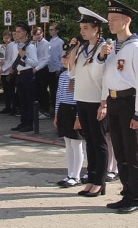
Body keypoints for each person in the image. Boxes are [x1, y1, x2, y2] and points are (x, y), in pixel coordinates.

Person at [101, 0, 138, 213]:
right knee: (120, 151)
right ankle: (126, 192)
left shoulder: (137, 48)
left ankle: (136, 197)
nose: (110, 23)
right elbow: (108, 75)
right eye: (109, 20)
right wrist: (104, 99)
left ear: (127, 20)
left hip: (129, 102)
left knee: (131, 152)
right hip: (114, 102)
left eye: (115, 19)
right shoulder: (112, 48)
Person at [66, 7, 109, 198]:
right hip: (82, 99)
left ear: (96, 28)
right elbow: (72, 72)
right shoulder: (83, 47)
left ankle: (100, 181)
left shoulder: (104, 47)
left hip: (96, 99)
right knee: (89, 141)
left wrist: (104, 102)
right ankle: (91, 179)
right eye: (81, 28)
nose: (82, 31)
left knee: (99, 142)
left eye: (85, 28)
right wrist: (73, 49)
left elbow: (105, 76)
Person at [54, 44, 84, 188]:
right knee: (68, 143)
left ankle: (76, 175)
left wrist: (79, 116)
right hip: (64, 109)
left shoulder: (79, 75)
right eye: (63, 57)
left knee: (76, 143)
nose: (64, 60)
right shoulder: (62, 75)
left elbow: (80, 97)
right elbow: (59, 95)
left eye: (67, 57)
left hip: (75, 109)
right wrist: (56, 114)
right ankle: (70, 173)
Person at [11, 21, 38, 132]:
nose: (16, 34)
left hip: (27, 74)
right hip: (19, 75)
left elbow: (35, 63)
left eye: (19, 32)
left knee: (28, 100)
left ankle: (29, 124)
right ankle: (23, 122)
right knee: (21, 100)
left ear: (25, 33)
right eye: (16, 32)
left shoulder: (30, 47)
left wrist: (25, 57)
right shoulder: (16, 46)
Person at [32, 27, 51, 117]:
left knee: (43, 90)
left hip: (42, 69)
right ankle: (39, 109)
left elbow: (47, 59)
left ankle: (45, 110)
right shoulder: (34, 44)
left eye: (39, 34)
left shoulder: (46, 44)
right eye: (35, 35)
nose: (37, 36)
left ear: (42, 33)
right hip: (35, 68)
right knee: (37, 90)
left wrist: (37, 68)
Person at [0, 31, 18, 115]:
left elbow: (12, 60)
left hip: (9, 70)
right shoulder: (2, 46)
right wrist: (0, 63)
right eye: (4, 38)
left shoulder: (13, 46)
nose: (5, 39)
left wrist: (5, 68)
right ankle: (7, 107)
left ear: (10, 37)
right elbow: (0, 58)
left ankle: (14, 108)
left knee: (11, 90)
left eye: (7, 38)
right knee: (6, 90)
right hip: (3, 70)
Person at [48, 23, 64, 114]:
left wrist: (59, 68)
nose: (50, 31)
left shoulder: (60, 42)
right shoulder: (50, 41)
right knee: (52, 89)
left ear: (56, 31)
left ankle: (57, 109)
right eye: (49, 29)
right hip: (50, 67)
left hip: (56, 68)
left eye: (52, 29)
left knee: (56, 89)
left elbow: (61, 55)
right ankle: (54, 107)